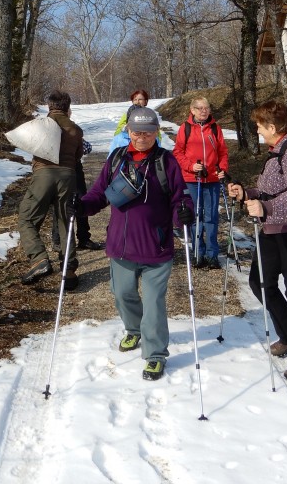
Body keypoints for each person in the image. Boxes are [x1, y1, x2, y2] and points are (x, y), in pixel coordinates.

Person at [75, 106, 193, 381]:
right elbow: (98, 194)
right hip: (121, 246)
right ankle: (133, 330)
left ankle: (154, 354)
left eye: (149, 132)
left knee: (153, 303)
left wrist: (184, 214)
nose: (142, 137)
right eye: (137, 131)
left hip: (156, 247)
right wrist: (81, 206)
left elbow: (180, 198)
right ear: (128, 132)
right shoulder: (117, 158)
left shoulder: (166, 162)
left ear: (156, 133)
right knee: (122, 294)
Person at [227, 100, 287, 383]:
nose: (256, 129)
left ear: (272, 126)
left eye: (259, 124)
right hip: (274, 229)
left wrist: (265, 209)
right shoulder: (277, 152)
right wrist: (247, 193)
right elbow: (272, 189)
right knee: (261, 282)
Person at [18, 90, 85, 290]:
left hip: (44, 175)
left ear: (50, 106)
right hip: (68, 176)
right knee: (65, 220)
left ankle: (39, 259)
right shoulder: (76, 129)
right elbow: (78, 155)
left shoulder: (41, 125)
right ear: (67, 107)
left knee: (27, 218)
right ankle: (69, 271)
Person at [173, 97, 228, 269]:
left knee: (211, 217)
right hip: (192, 179)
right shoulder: (186, 128)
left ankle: (212, 255)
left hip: (211, 178)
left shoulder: (215, 128)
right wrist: (191, 166)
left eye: (206, 107)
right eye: (199, 108)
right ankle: (198, 253)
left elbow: (223, 152)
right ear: (192, 110)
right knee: (196, 216)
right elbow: (178, 152)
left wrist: (222, 169)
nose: (203, 111)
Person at [51, 139, 103, 251]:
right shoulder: (50, 134)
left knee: (82, 201)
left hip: (75, 169)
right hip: (57, 170)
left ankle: (84, 238)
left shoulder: (72, 133)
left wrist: (75, 149)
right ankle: (57, 240)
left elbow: (88, 147)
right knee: (59, 204)